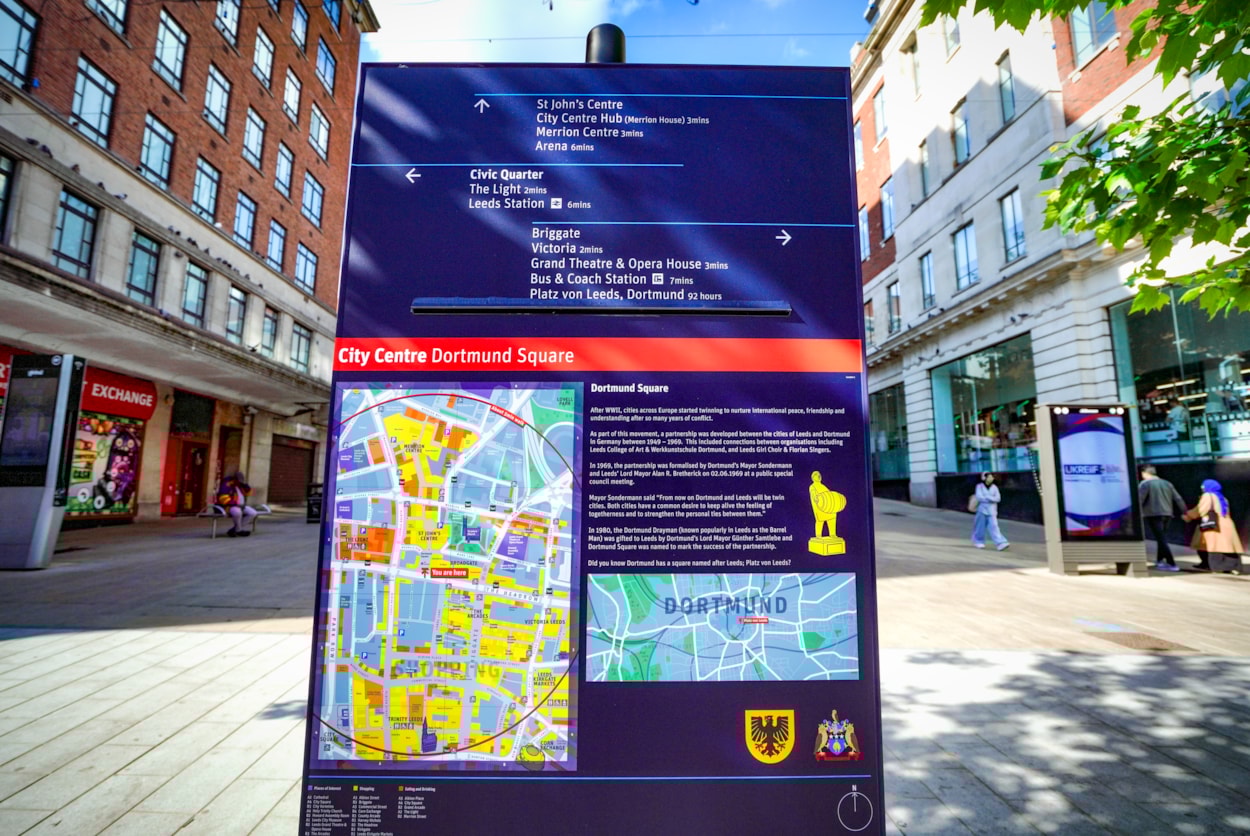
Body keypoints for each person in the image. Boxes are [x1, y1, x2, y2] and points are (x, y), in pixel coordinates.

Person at [1183, 479, 1244, 573]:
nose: (1202, 488)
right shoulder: (1223, 498)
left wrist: (1188, 515)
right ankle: (1231, 567)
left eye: (1203, 486)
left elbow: (1201, 509)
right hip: (1227, 525)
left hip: (1214, 526)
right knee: (1227, 547)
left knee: (1211, 546)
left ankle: (1212, 565)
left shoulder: (1208, 496)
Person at [1138, 465, 1187, 571]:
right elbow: (1178, 498)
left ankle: (1171, 563)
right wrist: (1185, 512)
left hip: (1153, 514)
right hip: (1168, 514)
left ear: (1144, 473)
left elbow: (1140, 499)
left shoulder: (1145, 484)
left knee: (1161, 539)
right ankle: (1159, 561)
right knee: (1161, 537)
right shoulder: (1167, 483)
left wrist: (1135, 513)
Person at [971, 472, 1010, 551]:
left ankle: (1000, 543)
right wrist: (991, 498)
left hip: (992, 511)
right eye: (989, 477)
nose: (991, 478)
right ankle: (978, 541)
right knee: (980, 527)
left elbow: (998, 498)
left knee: (994, 526)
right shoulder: (979, 486)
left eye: (991, 477)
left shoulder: (994, 487)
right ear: (984, 478)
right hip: (982, 510)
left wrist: (987, 497)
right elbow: (979, 497)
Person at [217, 470, 257, 537]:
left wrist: (245, 485)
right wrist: (235, 504)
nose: (240, 482)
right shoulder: (227, 484)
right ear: (235, 479)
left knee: (253, 513)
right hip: (229, 506)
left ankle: (235, 530)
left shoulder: (240, 485)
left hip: (241, 505)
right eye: (239, 481)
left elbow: (249, 493)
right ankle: (238, 530)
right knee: (237, 512)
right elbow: (222, 498)